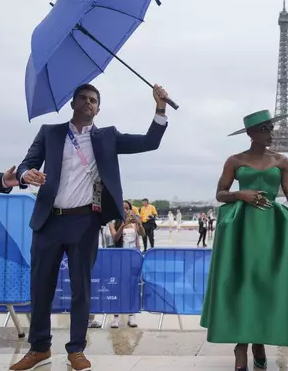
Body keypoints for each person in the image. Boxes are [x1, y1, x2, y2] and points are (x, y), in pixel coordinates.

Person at [9, 83, 170, 371]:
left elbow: (149, 142)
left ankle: (76, 350)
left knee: (81, 289)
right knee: (41, 287)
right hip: (47, 221)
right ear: (72, 103)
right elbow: (26, 164)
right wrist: (26, 174)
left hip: (84, 222)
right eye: (82, 98)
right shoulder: (50, 132)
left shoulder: (107, 137)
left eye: (93, 100)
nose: (88, 103)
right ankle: (39, 348)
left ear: (98, 108)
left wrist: (160, 107)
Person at [200, 110, 288, 371]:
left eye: (271, 128)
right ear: (250, 133)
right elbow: (220, 194)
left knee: (265, 285)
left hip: (271, 230)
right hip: (241, 229)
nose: (271, 133)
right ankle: (241, 345)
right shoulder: (234, 160)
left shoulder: (282, 160)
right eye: (265, 129)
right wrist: (241, 194)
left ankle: (258, 341)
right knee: (243, 283)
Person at [108, 200, 144, 328]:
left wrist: (138, 223)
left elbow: (142, 234)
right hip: (119, 258)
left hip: (132, 258)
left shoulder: (134, 223)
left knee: (132, 287)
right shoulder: (114, 222)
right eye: (122, 208)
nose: (125, 211)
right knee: (118, 287)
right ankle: (116, 317)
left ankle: (132, 315)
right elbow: (115, 238)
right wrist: (123, 225)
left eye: (127, 208)